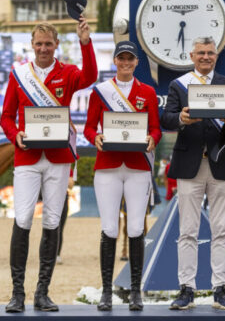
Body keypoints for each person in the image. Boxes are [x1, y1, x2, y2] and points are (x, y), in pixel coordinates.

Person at [0, 18, 96, 313]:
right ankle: (17, 293)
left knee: (53, 221)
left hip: (58, 158)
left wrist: (84, 42)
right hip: (27, 157)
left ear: (56, 46)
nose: (43, 48)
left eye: (48, 44)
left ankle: (42, 291)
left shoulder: (67, 73)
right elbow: (6, 116)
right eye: (39, 44)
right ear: (32, 45)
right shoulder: (19, 75)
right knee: (24, 219)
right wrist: (14, 134)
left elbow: (91, 75)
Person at [161, 36, 225, 311]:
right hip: (189, 164)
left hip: (221, 161)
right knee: (187, 230)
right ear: (192, 55)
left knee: (221, 230)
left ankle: (221, 288)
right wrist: (181, 118)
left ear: (216, 55)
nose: (205, 57)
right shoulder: (179, 85)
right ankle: (186, 288)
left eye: (210, 53)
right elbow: (165, 118)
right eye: (200, 52)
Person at [84, 41, 162, 311]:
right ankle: (107, 291)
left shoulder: (148, 92)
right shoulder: (101, 91)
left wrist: (152, 138)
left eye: (130, 59)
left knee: (137, 228)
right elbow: (88, 128)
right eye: (121, 58)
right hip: (108, 166)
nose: (126, 63)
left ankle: (135, 291)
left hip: (138, 167)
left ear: (136, 62)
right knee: (109, 228)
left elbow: (155, 127)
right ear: (115, 61)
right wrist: (96, 136)